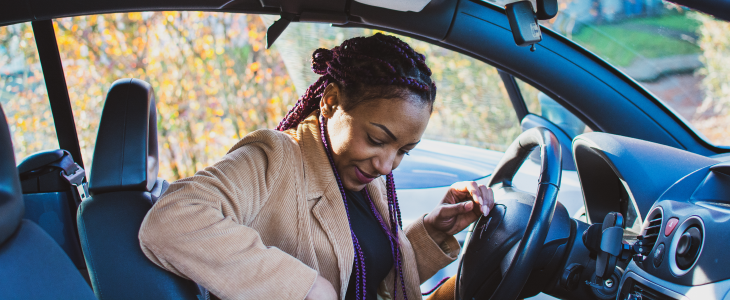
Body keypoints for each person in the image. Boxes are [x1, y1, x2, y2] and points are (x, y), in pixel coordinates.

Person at [139, 33, 494, 300]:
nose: (387, 164)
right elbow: (172, 220)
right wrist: (304, 288)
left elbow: (369, 281)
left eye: (404, 150)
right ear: (332, 102)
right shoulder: (274, 158)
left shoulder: (366, 181)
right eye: (376, 138)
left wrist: (431, 230)